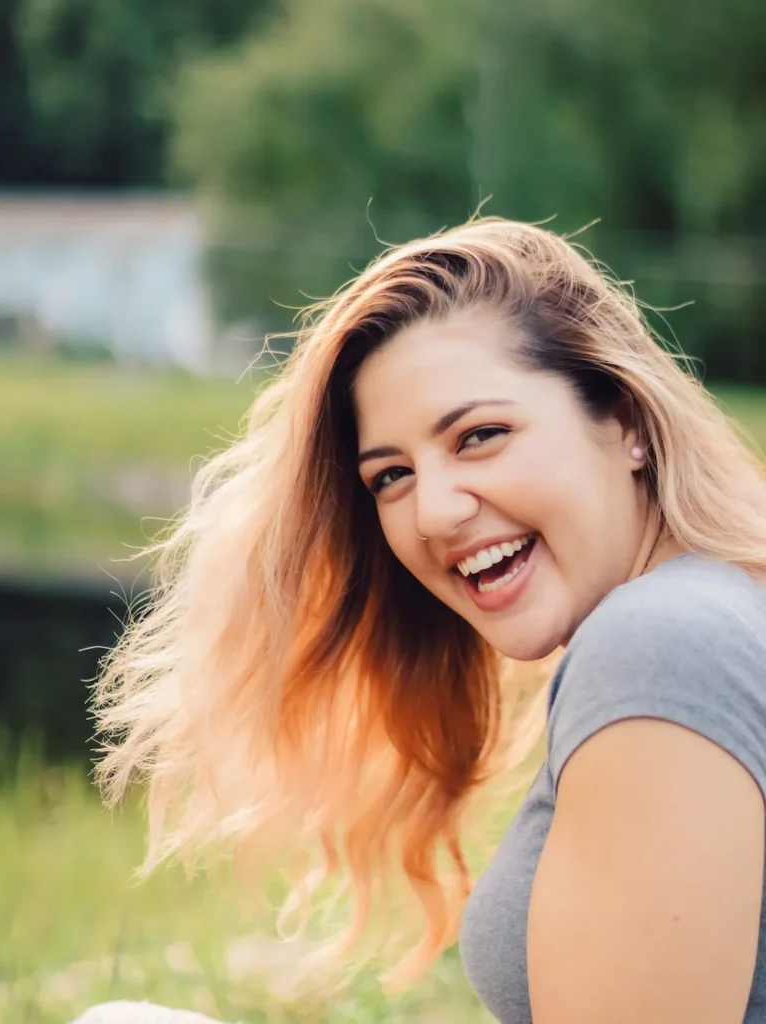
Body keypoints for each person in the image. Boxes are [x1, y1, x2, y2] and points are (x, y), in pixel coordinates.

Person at [92, 217, 766, 1023]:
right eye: (391, 476)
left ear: (622, 420)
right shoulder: (713, 612)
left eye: (480, 436)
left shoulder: (663, 641)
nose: (435, 512)